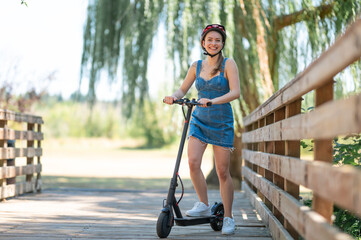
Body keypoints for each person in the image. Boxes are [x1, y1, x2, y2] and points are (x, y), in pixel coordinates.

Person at [164, 24, 240, 235]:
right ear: (203, 43)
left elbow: (235, 93)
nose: (213, 43)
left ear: (222, 43)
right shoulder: (196, 66)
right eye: (210, 40)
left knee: (222, 171)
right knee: (192, 162)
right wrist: (174, 96)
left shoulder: (228, 64)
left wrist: (212, 101)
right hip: (198, 119)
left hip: (221, 120)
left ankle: (228, 217)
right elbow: (183, 89)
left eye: (217, 40)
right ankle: (204, 204)